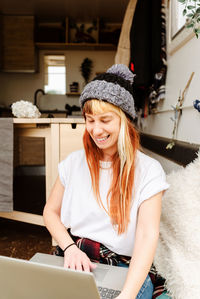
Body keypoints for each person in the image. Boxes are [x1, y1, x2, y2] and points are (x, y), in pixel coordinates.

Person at [43, 64, 169, 299]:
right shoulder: (72, 163)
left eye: (105, 120)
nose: (95, 129)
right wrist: (69, 248)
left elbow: (146, 237)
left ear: (125, 120)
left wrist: (127, 295)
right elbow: (50, 212)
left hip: (123, 267)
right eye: (90, 120)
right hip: (75, 256)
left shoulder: (150, 171)